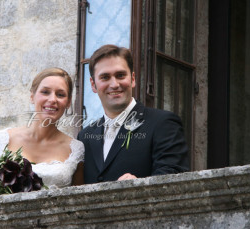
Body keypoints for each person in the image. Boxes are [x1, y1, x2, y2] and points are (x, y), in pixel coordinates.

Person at [77, 44, 189, 184]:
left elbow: (174, 179)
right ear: (93, 85)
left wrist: (140, 185)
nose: (114, 84)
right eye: (105, 77)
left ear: (133, 79)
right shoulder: (84, 137)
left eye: (120, 75)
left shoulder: (163, 124)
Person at [0, 68, 85, 197]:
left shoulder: (76, 149)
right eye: (45, 92)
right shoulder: (1, 140)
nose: (52, 99)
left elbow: (77, 198)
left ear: (68, 102)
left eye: (60, 95)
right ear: (32, 96)